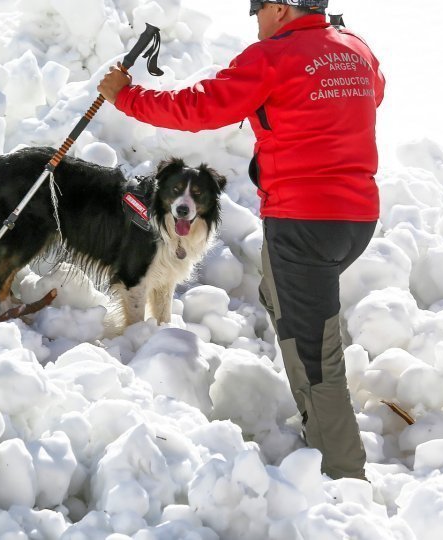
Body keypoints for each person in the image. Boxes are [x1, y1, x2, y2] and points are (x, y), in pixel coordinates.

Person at [98, 0, 385, 480]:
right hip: (355, 218)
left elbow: (199, 107)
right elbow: (372, 92)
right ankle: (320, 432)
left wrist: (127, 97)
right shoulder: (356, 49)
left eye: (257, 11)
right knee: (280, 299)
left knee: (317, 354)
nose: (257, 23)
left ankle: (343, 477)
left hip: (304, 221)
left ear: (277, 8)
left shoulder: (272, 56)